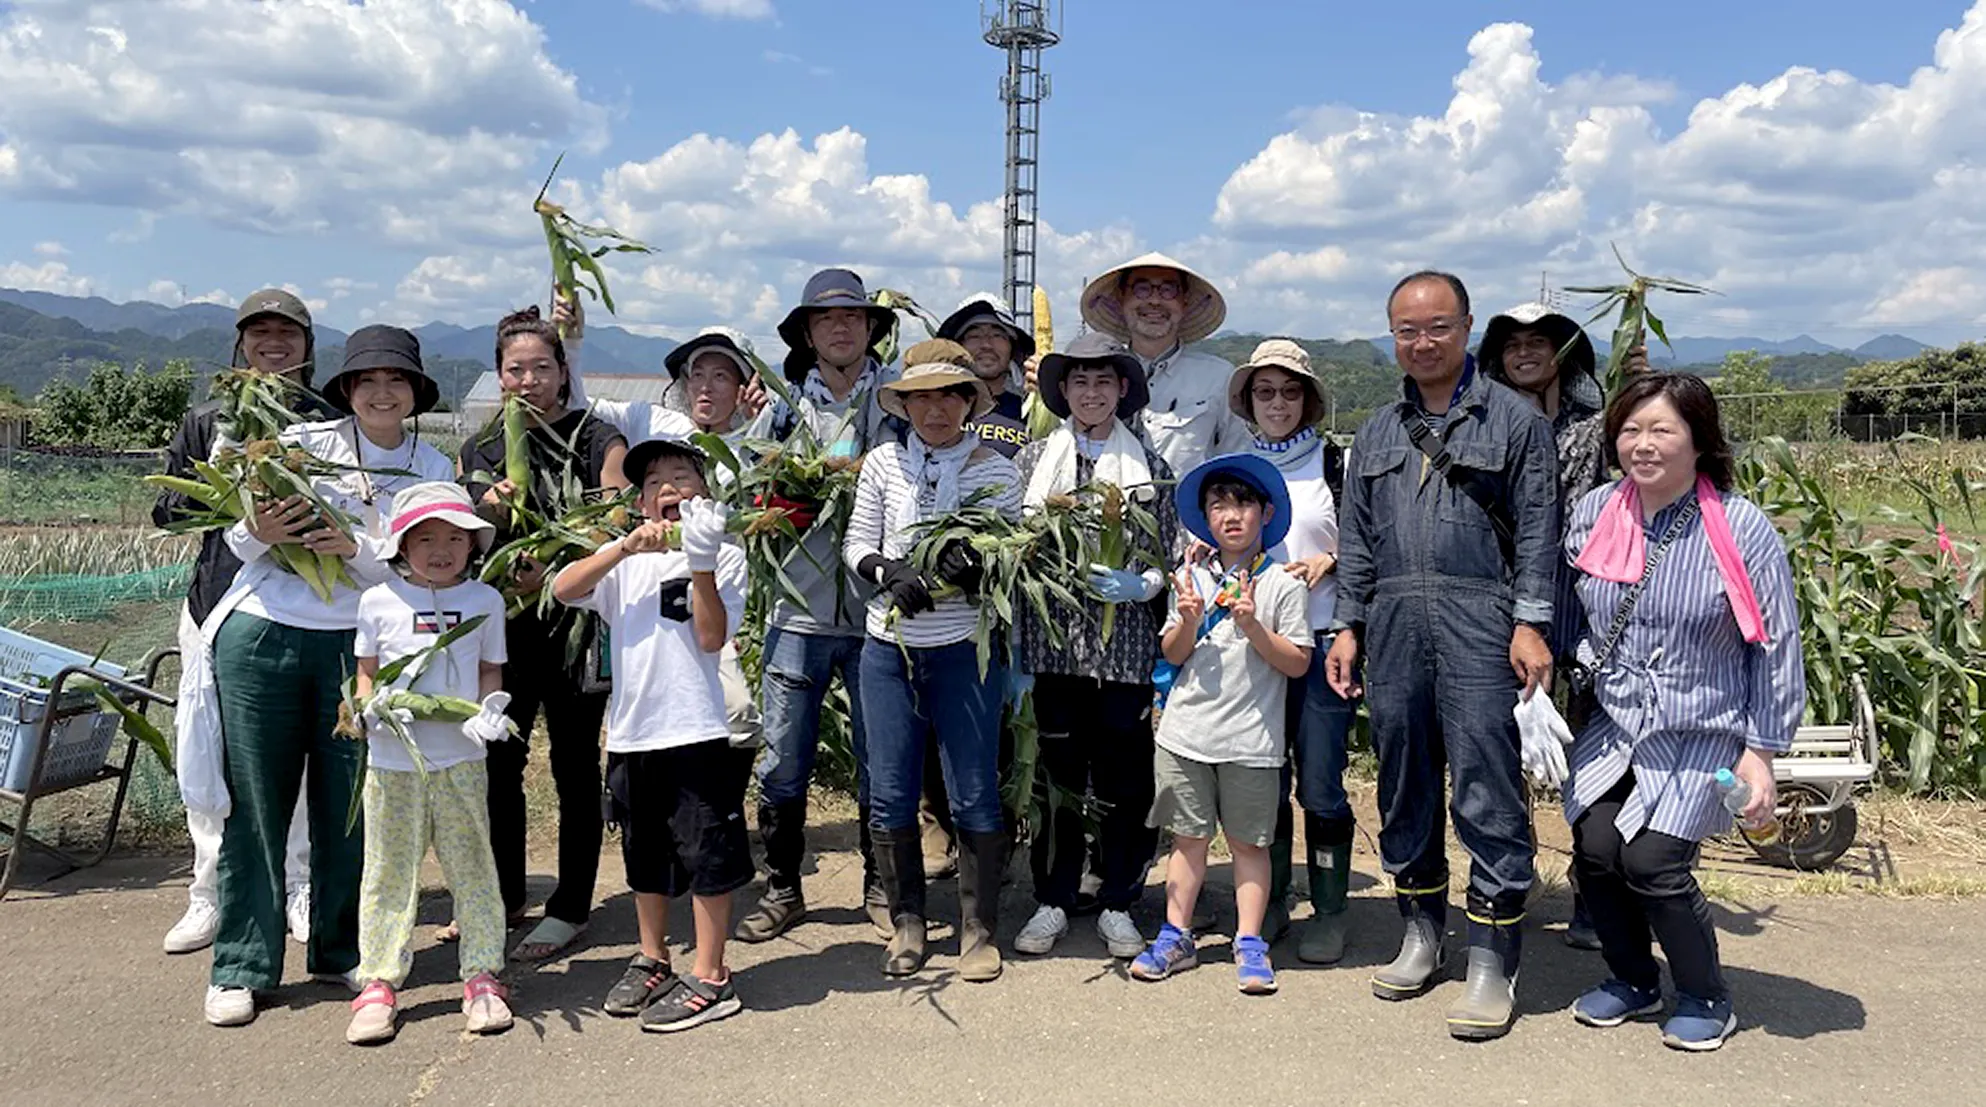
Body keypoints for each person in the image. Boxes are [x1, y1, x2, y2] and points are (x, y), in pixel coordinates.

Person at [189, 325, 458, 1027]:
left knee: (352, 805)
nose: (380, 391)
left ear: (416, 392)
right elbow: (238, 539)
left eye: (395, 380)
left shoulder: (433, 467)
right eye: (365, 379)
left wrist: (356, 547)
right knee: (256, 801)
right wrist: (266, 529)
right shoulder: (303, 446)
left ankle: (341, 948)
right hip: (265, 634)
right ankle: (243, 962)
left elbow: (426, 562)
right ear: (345, 388)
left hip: (361, 645)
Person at [1325, 271, 1559, 1041]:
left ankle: (1493, 954)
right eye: (1406, 329)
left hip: (1481, 616)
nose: (1421, 341)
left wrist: (1530, 621)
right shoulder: (1378, 431)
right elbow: (1356, 540)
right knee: (1404, 778)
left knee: (1488, 786)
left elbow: (1537, 534)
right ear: (1391, 334)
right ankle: (1421, 929)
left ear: (1466, 328)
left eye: (1437, 326)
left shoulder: (1516, 422)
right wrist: (1348, 623)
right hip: (1392, 619)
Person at [1562, 373, 1804, 1053]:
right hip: (1617, 726)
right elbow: (1570, 613)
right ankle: (1634, 979)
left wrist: (1762, 750)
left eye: (1661, 429)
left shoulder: (1738, 525)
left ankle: (1704, 993)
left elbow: (1776, 640)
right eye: (1631, 429)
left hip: (1704, 728)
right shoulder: (1595, 513)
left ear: (1699, 439)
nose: (1642, 444)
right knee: (1596, 849)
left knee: (1654, 861)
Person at [553, 436, 750, 1033]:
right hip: (633, 733)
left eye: (684, 477)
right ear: (641, 504)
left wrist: (701, 560)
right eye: (655, 482)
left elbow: (713, 637)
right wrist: (622, 546)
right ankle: (653, 958)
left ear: (706, 495)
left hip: (695, 730)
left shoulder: (725, 556)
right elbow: (563, 588)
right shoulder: (625, 566)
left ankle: (713, 975)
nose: (670, 488)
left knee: (706, 853)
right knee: (645, 855)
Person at [842, 339, 1021, 982]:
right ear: (906, 404)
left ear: (969, 401)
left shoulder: (997, 470)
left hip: (963, 652)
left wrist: (974, 567)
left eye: (949, 395)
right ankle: (908, 922)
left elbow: (1010, 552)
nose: (935, 409)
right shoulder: (883, 465)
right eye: (922, 397)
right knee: (889, 792)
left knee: (973, 789)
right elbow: (857, 542)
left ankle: (977, 928)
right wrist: (886, 571)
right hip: (888, 650)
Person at [734, 268, 904, 944]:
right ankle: (782, 887)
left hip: (876, 611)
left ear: (870, 329)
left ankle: (879, 883)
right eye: (827, 320)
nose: (842, 328)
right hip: (796, 611)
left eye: (854, 319)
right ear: (807, 332)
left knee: (880, 755)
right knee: (782, 757)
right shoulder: (778, 409)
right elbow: (747, 486)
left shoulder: (895, 404)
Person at [155, 289, 326, 955]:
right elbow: (167, 511)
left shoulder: (325, 421)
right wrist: (234, 504)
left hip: (304, 608)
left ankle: (299, 884)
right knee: (210, 750)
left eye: (288, 332)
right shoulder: (207, 422)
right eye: (260, 332)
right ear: (240, 344)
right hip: (217, 604)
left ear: (308, 346)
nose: (274, 343)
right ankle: (209, 890)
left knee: (306, 755)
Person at [458, 307, 629, 963]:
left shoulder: (596, 437)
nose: (527, 380)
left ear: (562, 371)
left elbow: (611, 522)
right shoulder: (479, 449)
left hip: (573, 626)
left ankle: (571, 906)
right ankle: (503, 896)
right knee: (497, 761)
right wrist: (485, 515)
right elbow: (454, 540)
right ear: (498, 377)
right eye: (514, 369)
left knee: (573, 764)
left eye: (540, 367)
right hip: (501, 633)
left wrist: (555, 572)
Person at [1010, 332, 1178, 959]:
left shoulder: (1150, 469)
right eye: (1079, 381)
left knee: (1125, 783)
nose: (1091, 392)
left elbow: (1172, 555)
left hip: (1125, 654)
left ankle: (1117, 900)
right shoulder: (1033, 464)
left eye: (1103, 381)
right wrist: (1016, 657)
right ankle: (1053, 898)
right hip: (1053, 652)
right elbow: (1015, 559)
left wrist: (1142, 586)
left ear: (1123, 390)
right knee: (1055, 781)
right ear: (1061, 392)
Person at [1130, 454, 1311, 995]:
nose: (1231, 516)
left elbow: (1298, 661)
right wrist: (1186, 618)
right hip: (1186, 733)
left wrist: (1252, 624)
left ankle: (1249, 941)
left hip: (1252, 741)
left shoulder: (1282, 583)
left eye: (1243, 504)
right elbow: (1172, 651)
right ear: (1205, 518)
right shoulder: (1190, 575)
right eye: (1218, 506)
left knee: (1249, 845)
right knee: (1187, 840)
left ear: (1266, 513)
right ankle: (1176, 934)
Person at [346, 483, 514, 1045]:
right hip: (393, 763)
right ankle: (379, 982)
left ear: (472, 545)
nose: (441, 549)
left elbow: (490, 670)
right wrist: (368, 708)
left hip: (462, 757)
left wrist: (491, 709)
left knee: (473, 866)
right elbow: (366, 672)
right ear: (401, 545)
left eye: (454, 538)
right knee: (388, 870)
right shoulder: (377, 601)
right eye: (425, 538)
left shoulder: (486, 601)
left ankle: (484, 974)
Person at [1480, 301, 1611, 951]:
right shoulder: (1488, 428)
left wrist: (1638, 393)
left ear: (1565, 354)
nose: (1526, 353)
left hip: (1586, 608)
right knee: (1505, 751)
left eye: (1541, 343)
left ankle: (1595, 891)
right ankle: (1515, 873)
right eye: (1513, 345)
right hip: (1507, 612)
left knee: (1591, 754)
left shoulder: (1598, 425)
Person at [1228, 339, 1357, 964]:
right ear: (1249, 401)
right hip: (1254, 645)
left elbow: (1372, 541)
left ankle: (1331, 910)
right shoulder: (1235, 466)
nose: (1277, 402)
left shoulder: (1336, 464)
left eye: (1289, 391)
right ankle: (1272, 899)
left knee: (1323, 784)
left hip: (1324, 637)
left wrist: (1331, 560)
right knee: (1263, 780)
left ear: (1307, 399)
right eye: (1264, 391)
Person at [1079, 252, 1246, 474]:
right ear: (1121, 298)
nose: (1155, 301)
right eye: (1142, 288)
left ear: (1184, 301)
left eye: (1168, 289)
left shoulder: (1219, 378)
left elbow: (1239, 461)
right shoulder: (1092, 378)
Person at [939, 293, 1033, 459]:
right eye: (974, 336)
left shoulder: (1031, 412)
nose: (986, 345)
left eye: (997, 335)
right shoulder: (936, 408)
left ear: (1013, 348)